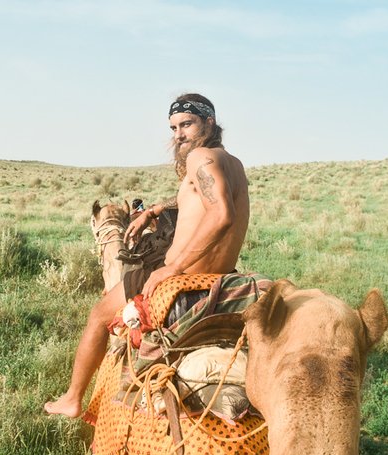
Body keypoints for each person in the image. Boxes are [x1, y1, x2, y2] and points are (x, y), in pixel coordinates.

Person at [44, 93, 250, 417]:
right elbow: (198, 195)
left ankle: (71, 399)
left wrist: (174, 267)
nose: (178, 134)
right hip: (221, 273)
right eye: (173, 127)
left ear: (209, 122)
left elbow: (221, 213)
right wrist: (153, 210)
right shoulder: (231, 162)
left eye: (187, 124)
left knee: (99, 316)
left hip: (187, 277)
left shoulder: (201, 159)